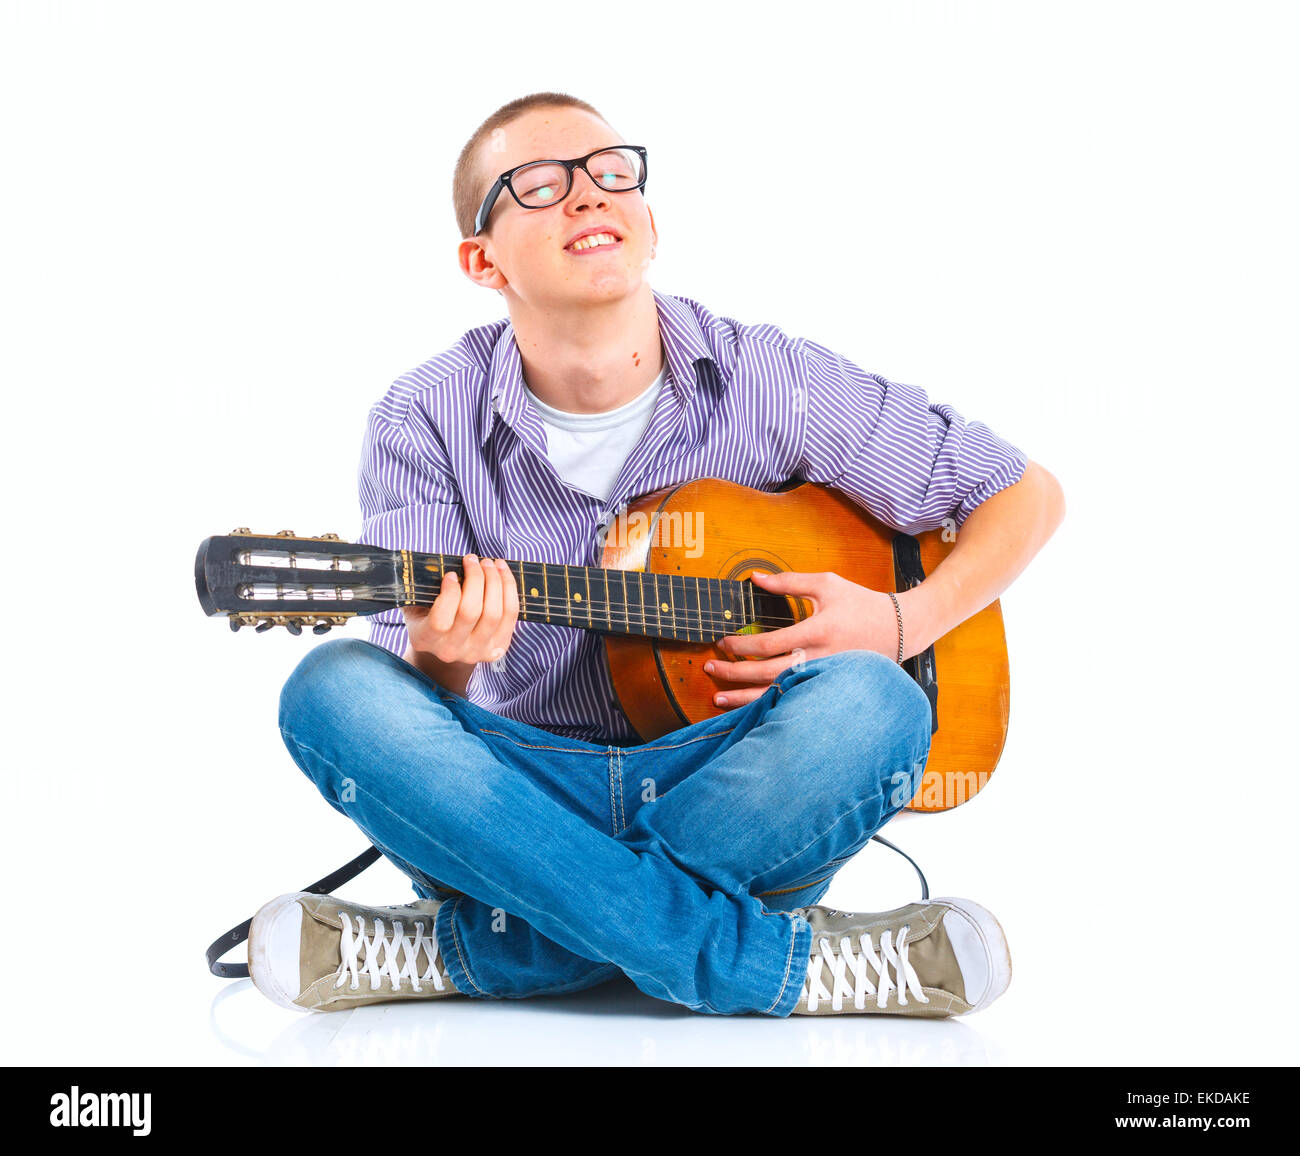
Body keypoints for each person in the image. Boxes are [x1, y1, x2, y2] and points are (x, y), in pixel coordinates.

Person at [247, 92, 1065, 1018]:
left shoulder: (772, 380)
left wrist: (898, 619)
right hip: (522, 792)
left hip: (737, 797)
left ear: (647, 219)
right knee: (334, 689)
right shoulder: (422, 416)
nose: (589, 196)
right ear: (482, 261)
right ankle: (778, 965)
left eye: (611, 174)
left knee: (878, 698)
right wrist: (448, 654)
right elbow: (421, 701)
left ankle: (475, 949)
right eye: (539, 185)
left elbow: (1024, 495)